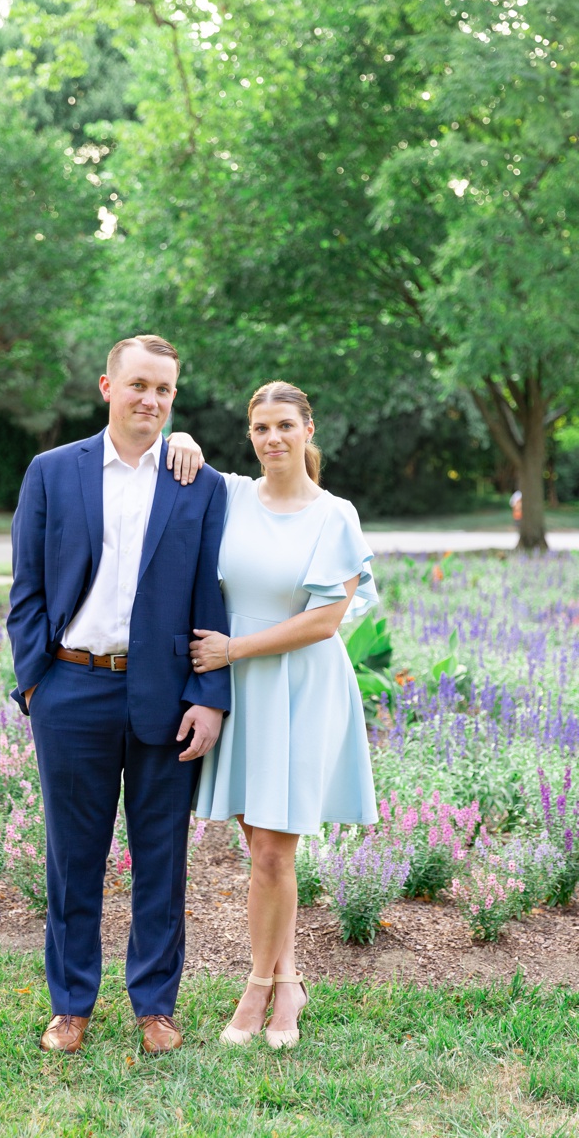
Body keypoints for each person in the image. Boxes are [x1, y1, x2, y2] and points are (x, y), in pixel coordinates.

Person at [6, 334, 229, 1056]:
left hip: (165, 694)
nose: (151, 400)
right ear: (107, 385)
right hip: (71, 686)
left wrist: (210, 695)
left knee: (161, 855)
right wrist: (37, 681)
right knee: (74, 856)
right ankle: (71, 1004)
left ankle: (155, 1005)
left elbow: (212, 601)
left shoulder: (200, 482)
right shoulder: (51, 472)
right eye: (138, 385)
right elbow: (26, 589)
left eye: (164, 390)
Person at [189, 381, 378, 1048]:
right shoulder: (234, 495)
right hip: (240, 690)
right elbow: (177, 461)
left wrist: (233, 647)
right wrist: (182, 439)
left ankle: (259, 987)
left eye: (285, 426)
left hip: (298, 685)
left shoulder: (335, 515)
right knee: (259, 849)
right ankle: (289, 975)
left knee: (274, 848)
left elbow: (326, 620)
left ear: (308, 428)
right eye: (261, 428)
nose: (273, 438)